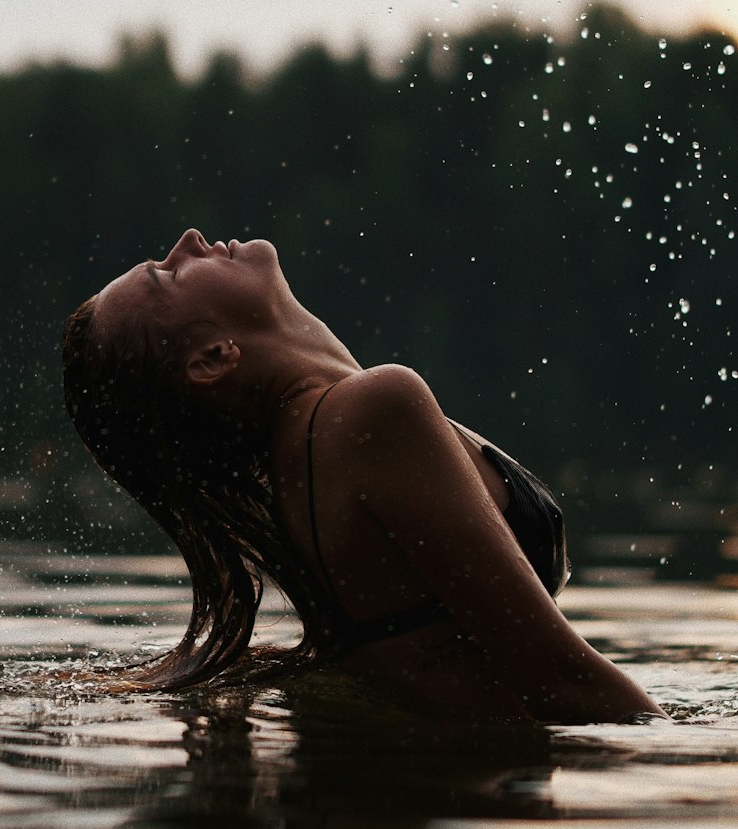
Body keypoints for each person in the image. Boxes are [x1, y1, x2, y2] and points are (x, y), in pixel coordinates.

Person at [61, 229, 663, 724]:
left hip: (410, 804)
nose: (188, 242)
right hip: (461, 800)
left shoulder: (312, 449)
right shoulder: (367, 415)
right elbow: (559, 678)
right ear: (213, 358)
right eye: (168, 274)